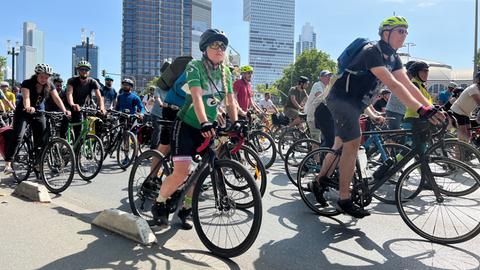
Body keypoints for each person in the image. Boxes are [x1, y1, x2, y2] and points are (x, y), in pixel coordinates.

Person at [310, 16, 443, 218]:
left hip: (357, 104)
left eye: (406, 31)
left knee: (339, 145)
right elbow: (393, 84)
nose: (404, 35)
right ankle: (344, 199)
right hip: (340, 99)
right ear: (385, 33)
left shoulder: (394, 58)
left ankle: (318, 182)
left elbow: (407, 84)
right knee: (353, 143)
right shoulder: (372, 51)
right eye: (400, 31)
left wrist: (431, 107)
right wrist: (420, 109)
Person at [150, 28, 238, 230]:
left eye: (223, 46)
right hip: (188, 125)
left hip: (208, 127)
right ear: (204, 48)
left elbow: (230, 101)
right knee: (182, 172)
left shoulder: (225, 72)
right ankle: (159, 203)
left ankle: (185, 209)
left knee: (201, 173)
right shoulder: (194, 66)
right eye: (214, 45)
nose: (219, 49)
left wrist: (236, 122)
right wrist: (204, 121)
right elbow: (197, 96)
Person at [4, 64, 70, 174]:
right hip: (23, 112)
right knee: (18, 135)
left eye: (46, 77)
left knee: (43, 139)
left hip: (39, 111)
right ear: (36, 75)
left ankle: (38, 163)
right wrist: (28, 107)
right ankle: (8, 163)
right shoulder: (27, 83)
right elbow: (26, 97)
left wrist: (64, 110)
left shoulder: (50, 85)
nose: (44, 79)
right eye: (41, 77)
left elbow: (57, 98)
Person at [66, 60, 106, 138]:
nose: (84, 71)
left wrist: (102, 108)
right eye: (82, 69)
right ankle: (74, 147)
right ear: (78, 70)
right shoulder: (72, 80)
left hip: (84, 106)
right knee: (78, 130)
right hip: (72, 105)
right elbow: (69, 94)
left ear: (89, 72)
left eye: (86, 70)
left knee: (92, 123)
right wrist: (72, 104)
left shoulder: (92, 81)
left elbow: (99, 96)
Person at [450, 72, 480, 142]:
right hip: (458, 112)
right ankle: (458, 153)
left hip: (465, 113)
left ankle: (465, 151)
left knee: (469, 135)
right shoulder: (473, 88)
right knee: (463, 137)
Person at [305, 70, 332, 142]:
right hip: (313, 116)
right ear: (321, 78)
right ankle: (314, 152)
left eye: (330, 76)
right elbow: (320, 97)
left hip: (321, 117)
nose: (329, 78)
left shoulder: (327, 87)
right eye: (327, 76)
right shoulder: (317, 85)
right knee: (316, 141)